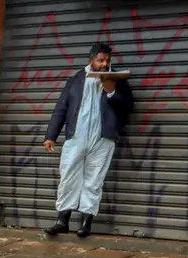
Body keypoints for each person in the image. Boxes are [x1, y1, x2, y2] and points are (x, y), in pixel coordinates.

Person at [42, 42, 134, 238]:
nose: (104, 64)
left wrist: (111, 92)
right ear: (91, 60)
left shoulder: (117, 79)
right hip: (76, 137)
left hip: (102, 138)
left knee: (94, 180)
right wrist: (51, 135)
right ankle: (62, 221)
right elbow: (61, 107)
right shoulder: (76, 80)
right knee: (68, 177)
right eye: (100, 60)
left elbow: (128, 106)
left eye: (107, 61)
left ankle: (86, 223)